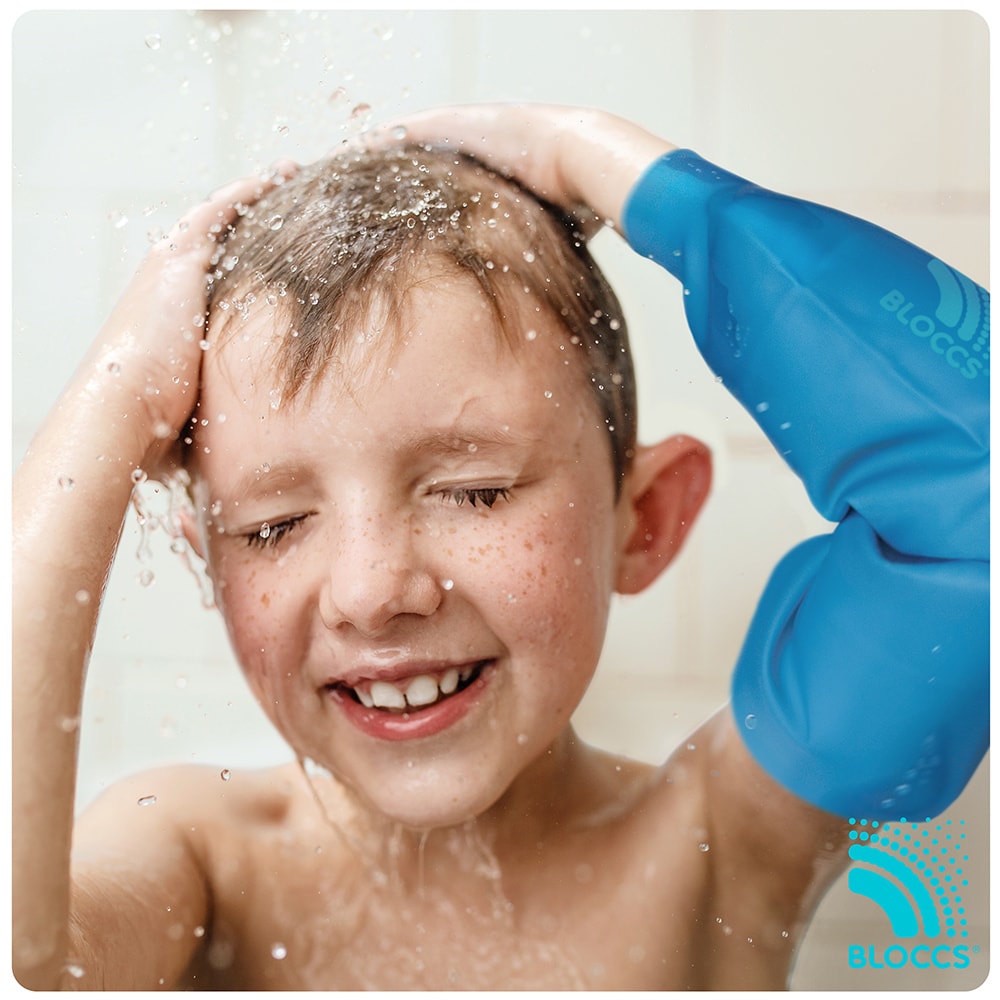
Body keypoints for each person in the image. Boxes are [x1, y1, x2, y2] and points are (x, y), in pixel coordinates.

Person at [12, 103, 988, 991]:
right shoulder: (195, 857)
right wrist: (112, 402)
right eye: (272, 527)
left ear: (641, 521)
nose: (370, 591)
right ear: (211, 565)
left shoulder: (716, 846)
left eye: (473, 491)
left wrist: (614, 168)